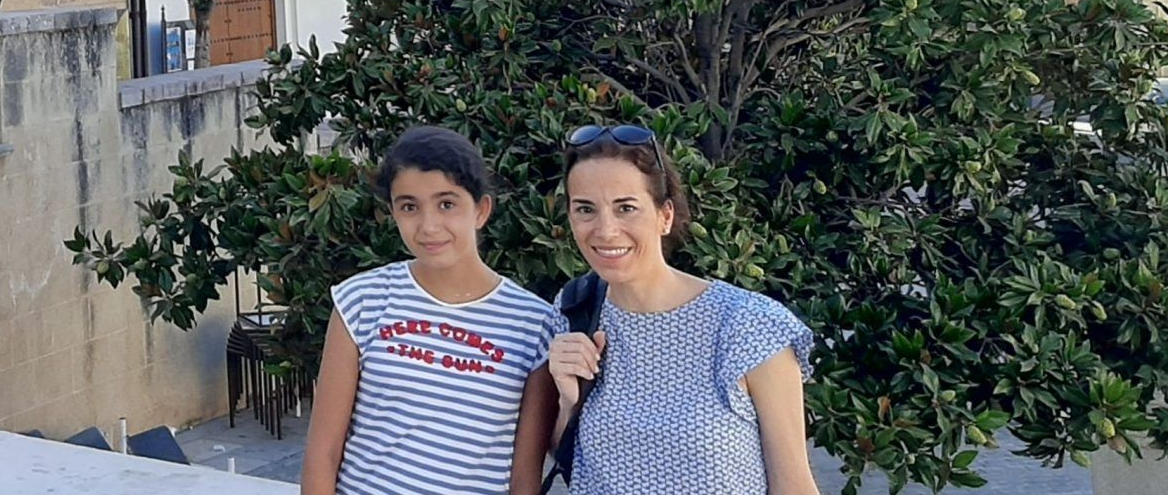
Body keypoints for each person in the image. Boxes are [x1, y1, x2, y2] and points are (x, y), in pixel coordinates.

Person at [544, 124, 819, 494]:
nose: (605, 230)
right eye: (585, 209)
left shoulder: (749, 325)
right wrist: (568, 401)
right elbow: (570, 458)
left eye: (626, 208)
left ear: (665, 215)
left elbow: (794, 485)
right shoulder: (571, 311)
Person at [300, 126, 565, 495]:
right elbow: (323, 452)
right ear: (393, 211)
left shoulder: (534, 325)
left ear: (481, 210)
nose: (428, 226)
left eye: (447, 204)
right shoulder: (361, 301)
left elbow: (524, 478)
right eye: (409, 206)